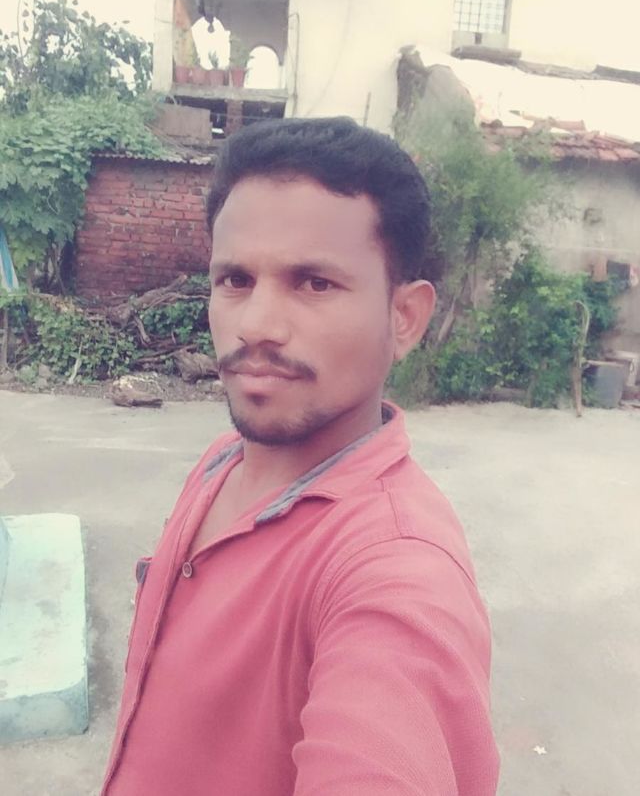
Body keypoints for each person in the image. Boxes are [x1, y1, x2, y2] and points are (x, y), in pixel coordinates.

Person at [101, 117, 499, 795]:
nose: (256, 324)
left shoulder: (396, 570)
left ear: (404, 318)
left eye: (314, 283)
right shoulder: (223, 462)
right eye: (235, 279)